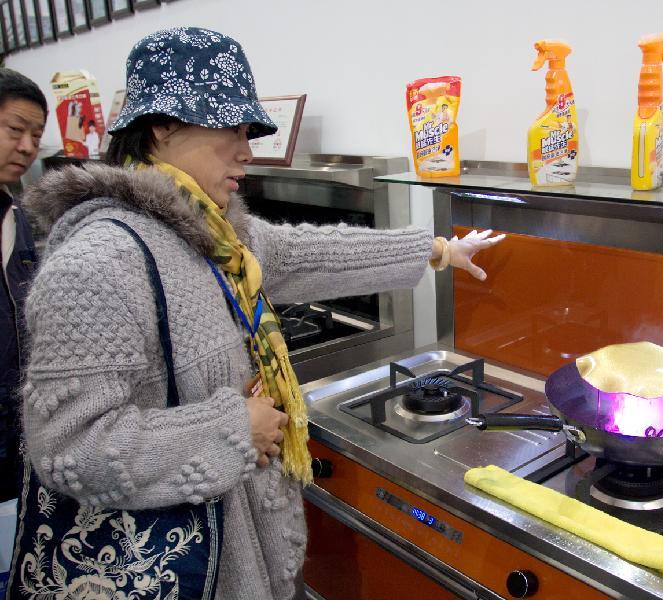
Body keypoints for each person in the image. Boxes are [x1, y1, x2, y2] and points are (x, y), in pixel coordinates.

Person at [8, 27, 501, 599]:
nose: (247, 150)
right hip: (176, 575)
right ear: (162, 126)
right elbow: (69, 448)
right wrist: (232, 429)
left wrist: (437, 250)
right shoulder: (97, 265)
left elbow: (305, 252)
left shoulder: (217, 236)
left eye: (249, 131)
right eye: (229, 130)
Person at [0, 68, 46, 506]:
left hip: (12, 430)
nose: (28, 147)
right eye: (15, 129)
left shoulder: (18, 217)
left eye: (36, 134)